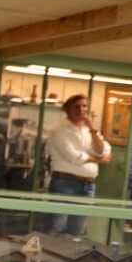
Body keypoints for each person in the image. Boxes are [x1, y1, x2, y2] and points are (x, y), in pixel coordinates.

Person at [45, 94, 110, 236]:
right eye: (77, 106)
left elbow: (102, 150)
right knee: (56, 227)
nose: (82, 109)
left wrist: (92, 128)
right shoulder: (58, 131)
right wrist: (99, 160)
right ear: (68, 110)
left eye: (85, 106)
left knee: (78, 231)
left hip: (88, 186)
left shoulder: (89, 131)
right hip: (64, 183)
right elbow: (74, 157)